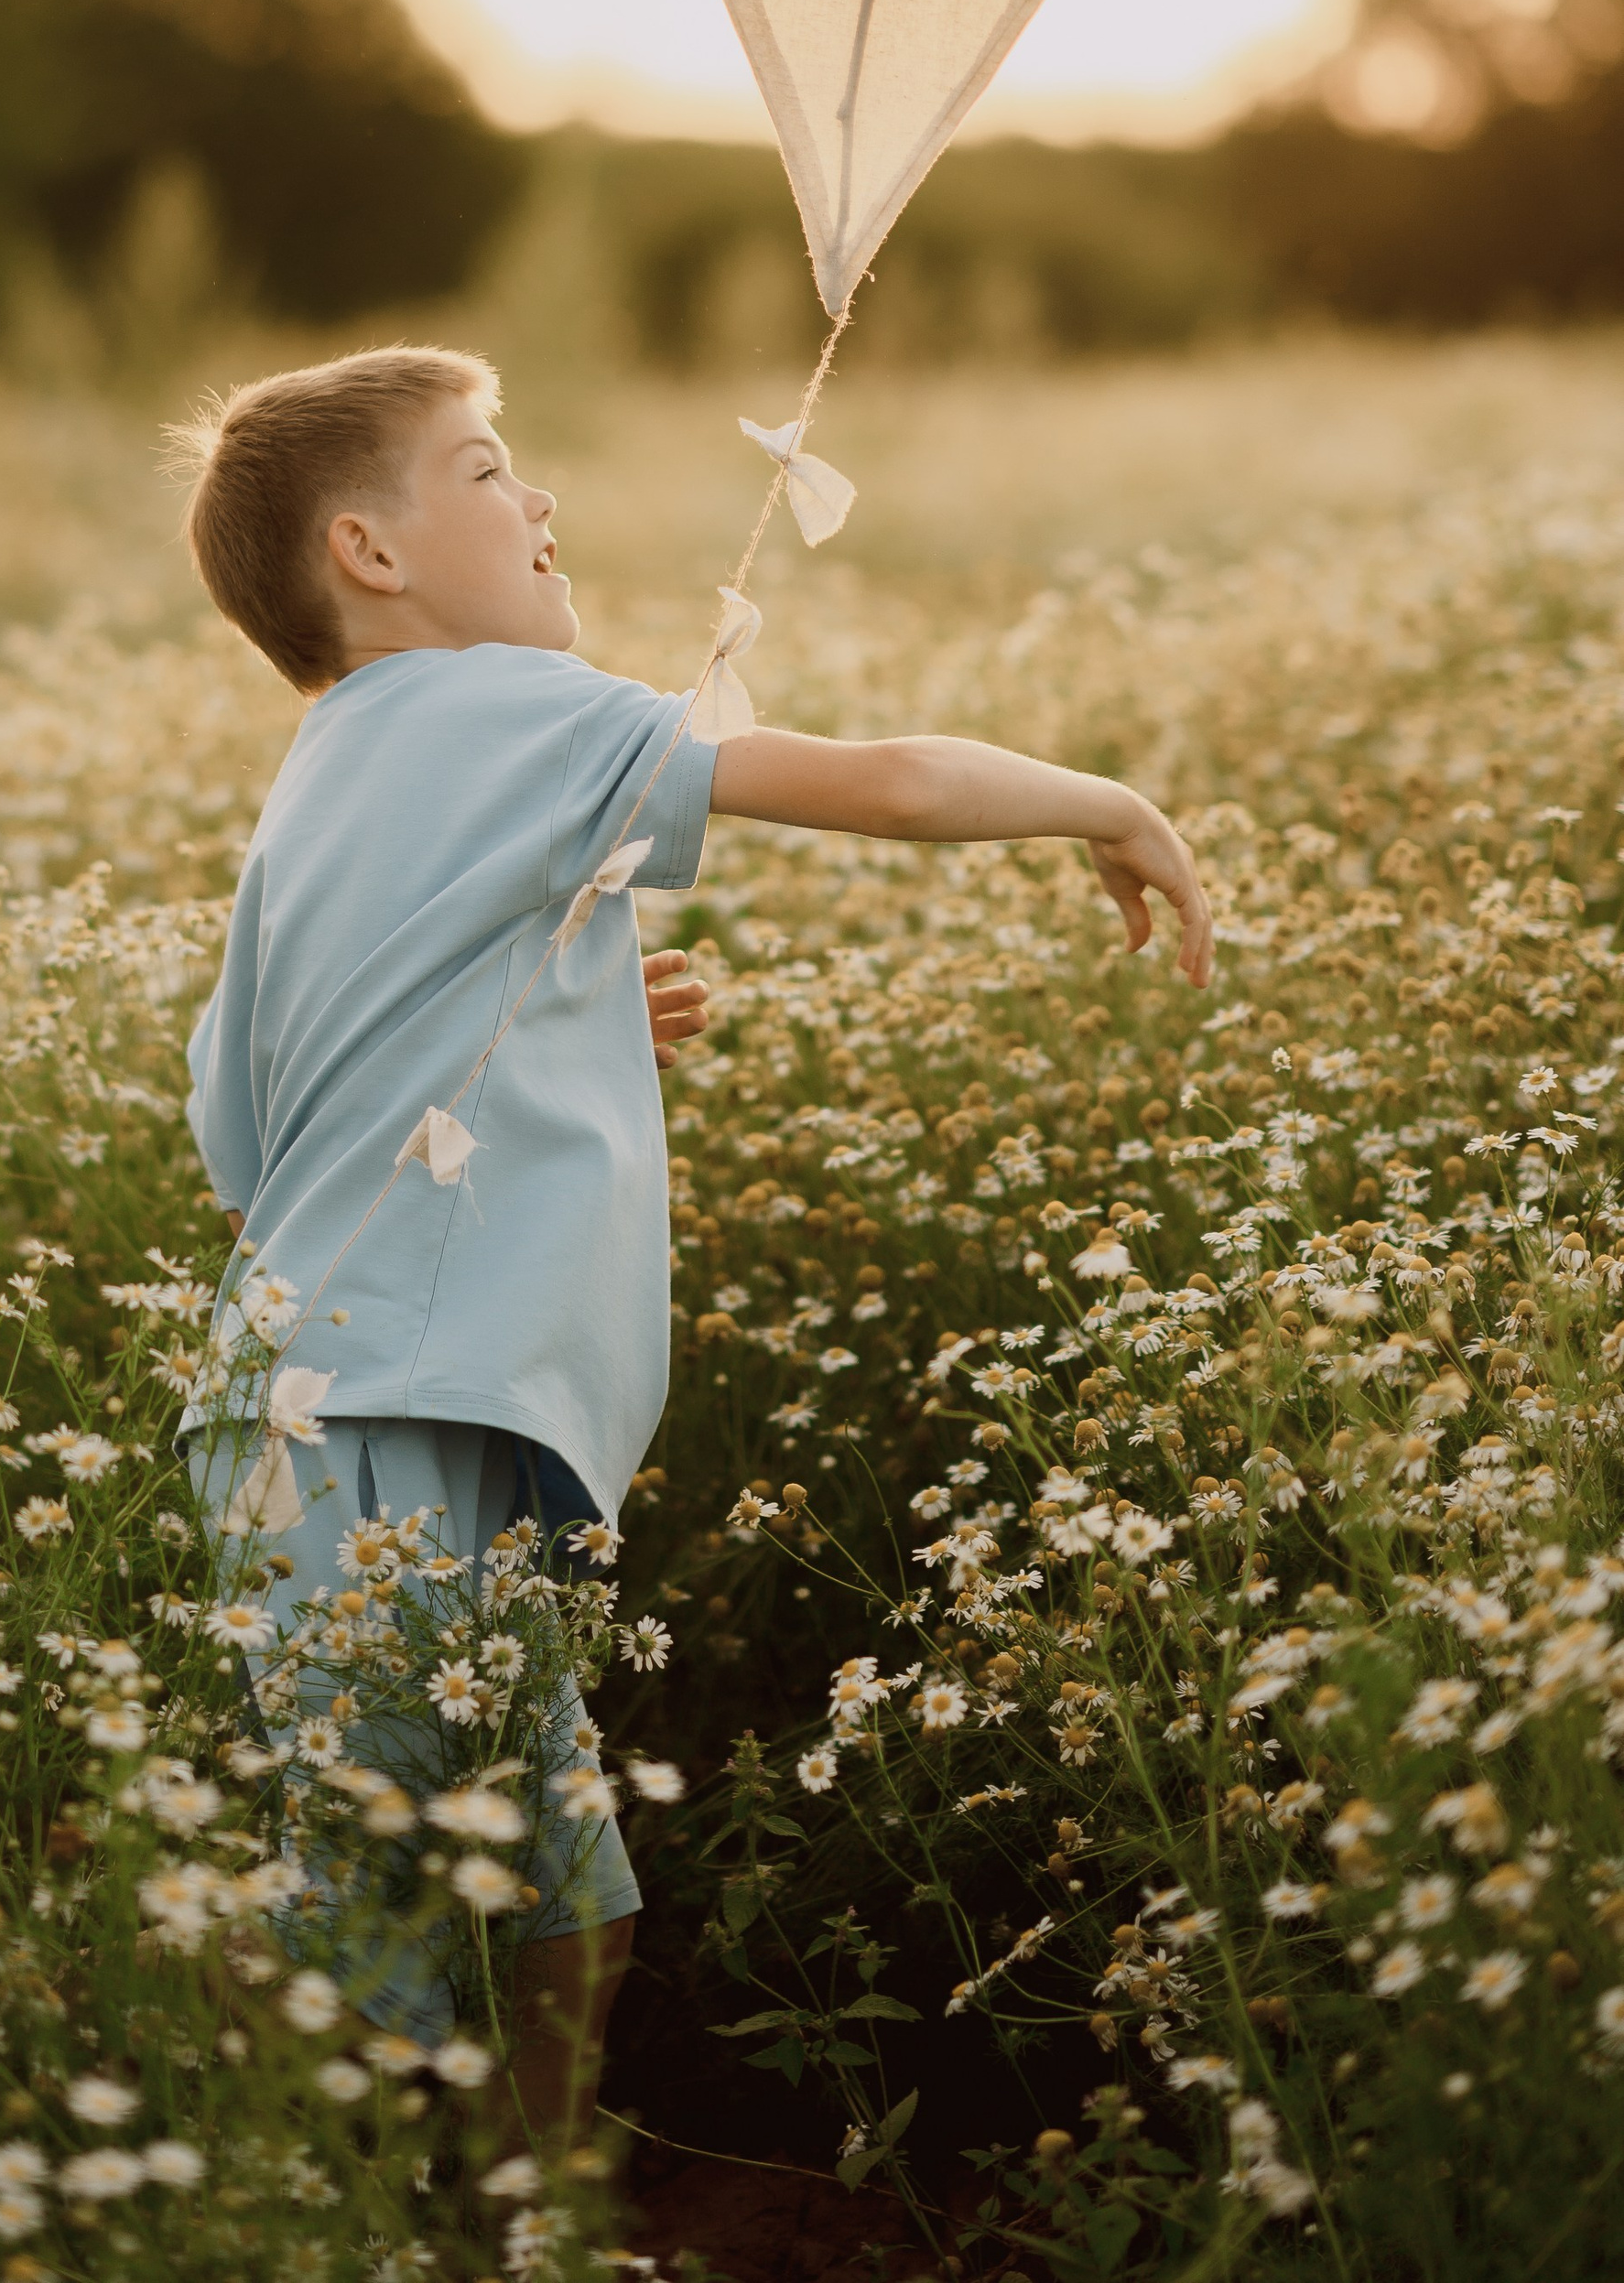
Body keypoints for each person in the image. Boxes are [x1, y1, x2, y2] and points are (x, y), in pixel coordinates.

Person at [168, 343, 1211, 2157]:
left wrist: (532, 1040)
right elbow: (889, 782)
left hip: (314, 1414)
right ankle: (221, 2197)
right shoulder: (502, 705)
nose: (538, 497)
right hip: (391, 1419)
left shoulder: (326, 775)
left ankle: (529, 2223)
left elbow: (250, 1144)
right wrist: (1106, 804)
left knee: (562, 1901)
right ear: (370, 553)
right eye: (484, 468)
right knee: (372, 1921)